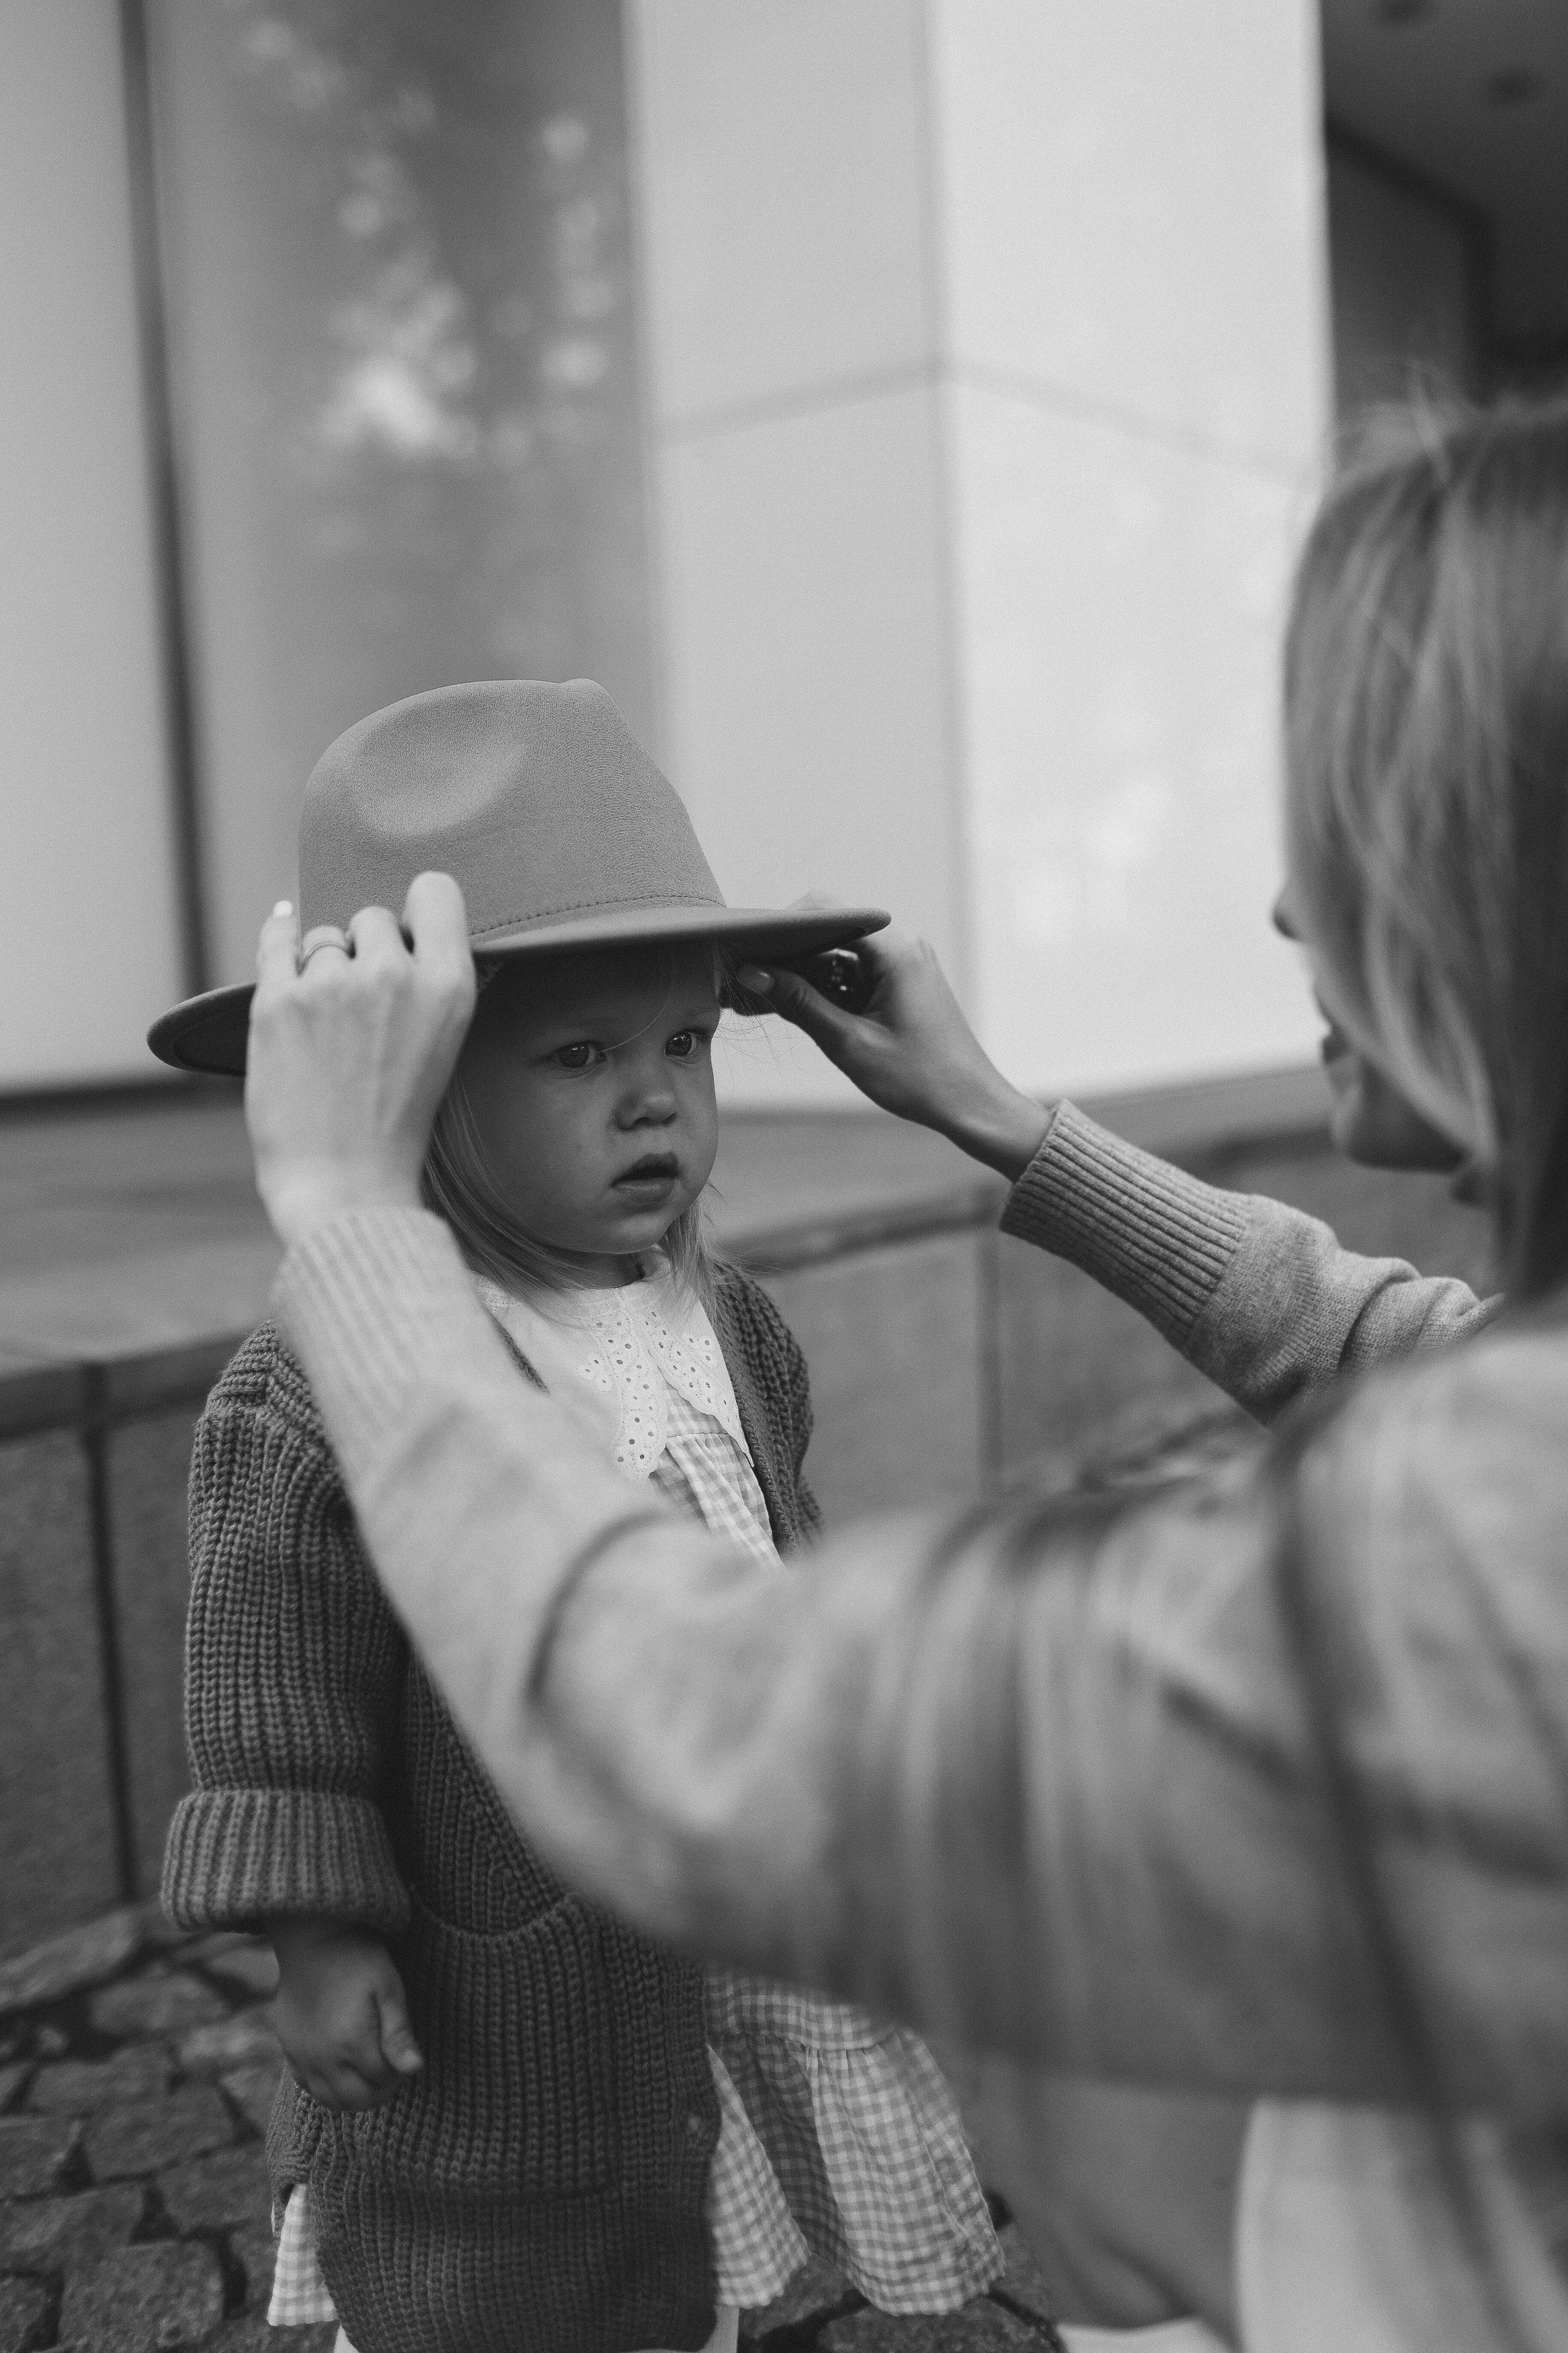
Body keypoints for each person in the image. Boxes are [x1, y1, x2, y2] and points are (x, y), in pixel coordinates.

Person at [237, 397, 1568, 2353]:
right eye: (576, 1056)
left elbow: (731, 1716)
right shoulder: (282, 1406)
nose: (1289, 908)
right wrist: (1008, 1123)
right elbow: (1386, 1341)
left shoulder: (1463, 1554)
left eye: (1347, 829)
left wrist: (352, 1226)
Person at [153, 680, 1000, 2353]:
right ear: (409, 1095)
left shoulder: (726, 1318)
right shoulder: (312, 1385)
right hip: (510, 1989)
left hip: (726, 1912)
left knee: (696, 2237)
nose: (655, 1099)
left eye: (684, 1042)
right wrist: (316, 1934)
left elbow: (773, 1543)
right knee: (511, 2279)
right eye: (579, 1056)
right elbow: (274, 1700)